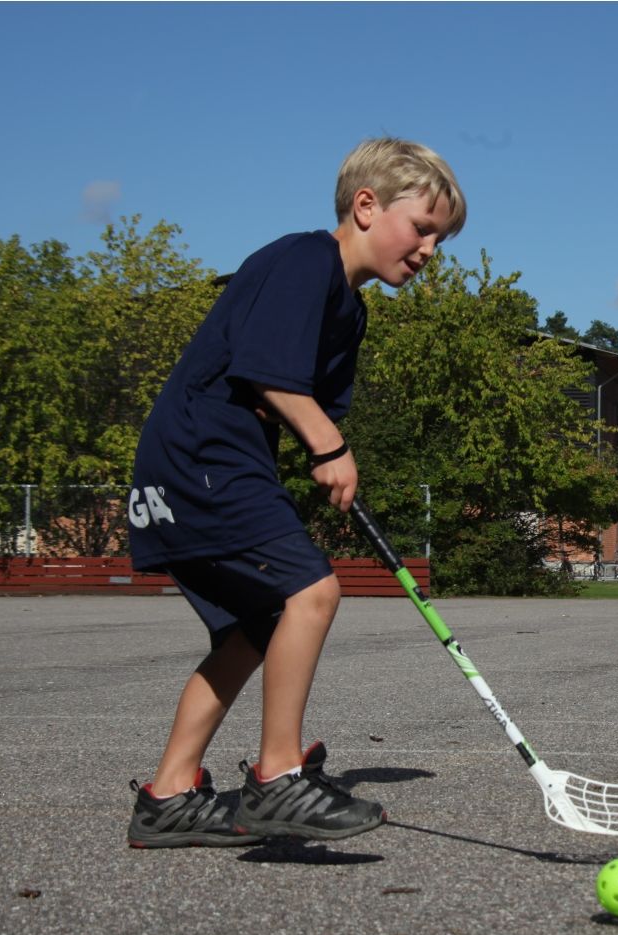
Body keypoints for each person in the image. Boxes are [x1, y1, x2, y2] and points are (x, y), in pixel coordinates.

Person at [124, 138, 466, 847]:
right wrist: (329, 447)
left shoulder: (350, 310)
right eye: (423, 228)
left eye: (441, 238)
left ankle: (169, 795)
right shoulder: (304, 258)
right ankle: (278, 777)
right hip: (201, 455)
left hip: (214, 460)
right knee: (310, 594)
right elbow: (265, 370)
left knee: (254, 629)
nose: (430, 249)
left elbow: (300, 401)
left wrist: (322, 449)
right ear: (366, 207)